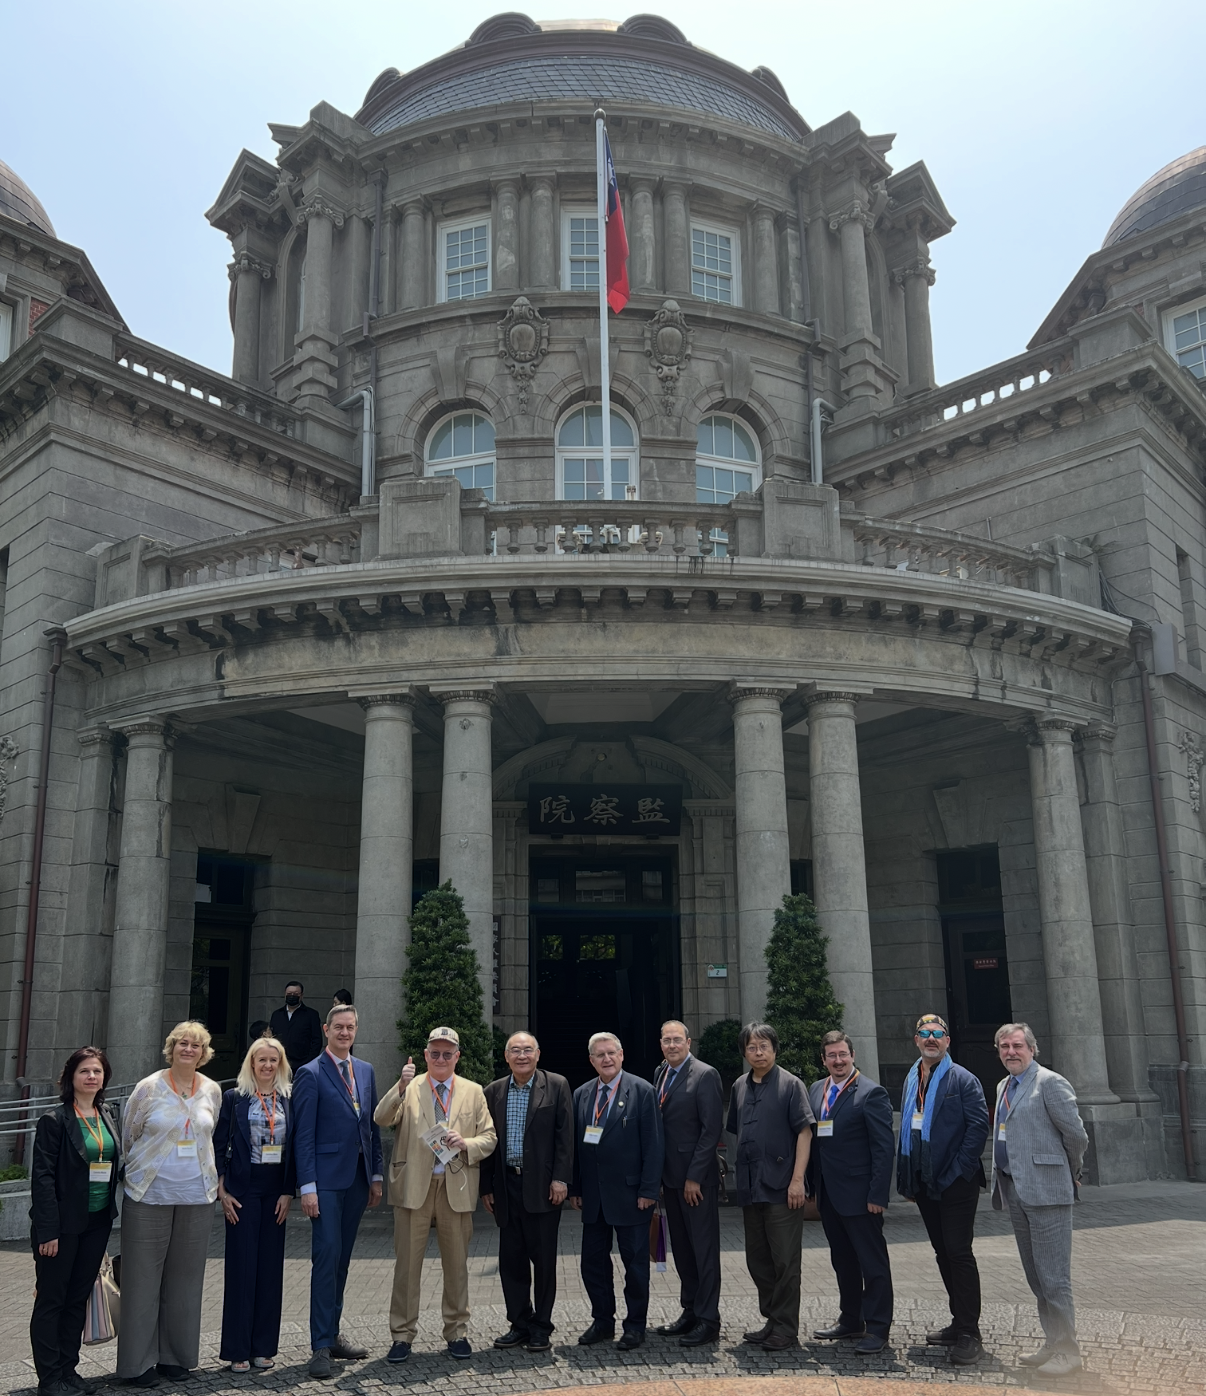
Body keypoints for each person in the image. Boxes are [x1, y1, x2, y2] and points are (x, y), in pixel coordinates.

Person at [374, 1027, 496, 1362]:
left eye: (447, 1053)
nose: (440, 1058)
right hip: (414, 1185)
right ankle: (402, 1335)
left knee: (456, 1266)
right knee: (407, 1267)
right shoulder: (410, 1087)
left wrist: (466, 1144)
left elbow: (489, 1138)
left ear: (457, 1057)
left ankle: (457, 1331)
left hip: (455, 1185)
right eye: (435, 1053)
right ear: (426, 1055)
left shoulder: (473, 1091)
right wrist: (399, 1086)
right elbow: (381, 1118)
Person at [117, 1021, 223, 1388]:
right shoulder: (148, 1088)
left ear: (204, 1052)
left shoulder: (212, 1089)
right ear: (171, 1048)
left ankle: (175, 1358)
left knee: (185, 1283)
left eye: (196, 1045)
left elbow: (210, 1135)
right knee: (142, 1282)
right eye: (182, 1043)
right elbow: (128, 1136)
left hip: (196, 1198)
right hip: (150, 1196)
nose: (188, 1049)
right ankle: (137, 1364)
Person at [990, 1022, 1088, 1378]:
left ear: (1032, 1048)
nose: (1011, 1052)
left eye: (1017, 1045)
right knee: (1036, 1276)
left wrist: (1069, 1172)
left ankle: (1069, 1351)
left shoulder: (1050, 1082)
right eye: (1004, 1046)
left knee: (1054, 1277)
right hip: (1014, 1189)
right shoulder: (1004, 1085)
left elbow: (1075, 1135)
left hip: (1048, 1191)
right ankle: (1053, 1341)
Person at [292, 1004, 384, 1380]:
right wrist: (307, 1187)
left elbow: (373, 1127)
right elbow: (304, 1136)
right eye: (338, 1027)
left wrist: (376, 1175)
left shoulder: (365, 1070)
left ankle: (333, 1334)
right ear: (327, 1030)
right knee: (326, 1259)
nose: (345, 1033)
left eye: (351, 1027)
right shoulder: (309, 1073)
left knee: (342, 1260)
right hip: (325, 1184)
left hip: (358, 1181)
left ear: (356, 1030)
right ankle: (319, 1347)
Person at [895, 1012, 989, 1366]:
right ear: (916, 1041)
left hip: (956, 1184)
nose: (931, 1038)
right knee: (942, 1252)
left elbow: (978, 1129)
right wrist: (909, 1178)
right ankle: (958, 1321)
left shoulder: (962, 1079)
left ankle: (970, 1333)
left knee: (959, 1253)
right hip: (925, 1184)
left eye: (937, 1033)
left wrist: (957, 1172)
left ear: (948, 1041)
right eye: (924, 1033)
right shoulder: (911, 1078)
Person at [29, 1046, 121, 1396]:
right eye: (85, 1071)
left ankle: (69, 1370)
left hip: (96, 1223)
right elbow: (43, 1180)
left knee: (78, 1298)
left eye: (97, 1071)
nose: (92, 1077)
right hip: (61, 1228)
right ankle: (49, 1378)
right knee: (52, 1300)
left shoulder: (108, 1114)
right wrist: (47, 1231)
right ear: (71, 1077)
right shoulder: (54, 1120)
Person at [569, 1032, 663, 1351]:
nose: (606, 1059)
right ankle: (602, 1322)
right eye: (599, 1055)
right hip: (593, 1198)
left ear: (622, 1055)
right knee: (593, 1264)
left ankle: (635, 1325)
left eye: (611, 1053)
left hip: (632, 1195)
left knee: (635, 1266)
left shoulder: (642, 1091)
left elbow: (653, 1144)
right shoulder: (581, 1094)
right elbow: (577, 1148)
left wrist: (649, 1189)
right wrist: (576, 1188)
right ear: (591, 1060)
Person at [480, 1032, 573, 1353]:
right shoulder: (493, 1092)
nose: (522, 1055)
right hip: (507, 1187)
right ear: (506, 1057)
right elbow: (488, 1145)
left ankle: (541, 1327)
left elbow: (565, 1138)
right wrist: (486, 1187)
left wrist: (561, 1179)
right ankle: (519, 1323)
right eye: (515, 1051)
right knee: (512, 1262)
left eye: (527, 1050)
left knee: (544, 1262)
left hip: (544, 1189)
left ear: (538, 1054)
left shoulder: (557, 1085)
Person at [726, 1021, 814, 1352]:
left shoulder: (791, 1085)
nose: (758, 1052)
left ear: (775, 1049)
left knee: (785, 1261)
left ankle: (786, 1328)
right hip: (751, 1187)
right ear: (744, 1052)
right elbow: (736, 1132)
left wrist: (797, 1181)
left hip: (782, 1187)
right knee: (758, 1260)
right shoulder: (739, 1086)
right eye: (751, 1047)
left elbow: (805, 1133)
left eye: (764, 1046)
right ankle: (772, 1318)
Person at [212, 1037, 296, 1372]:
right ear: (251, 1063)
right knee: (242, 1269)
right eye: (261, 1060)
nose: (267, 1066)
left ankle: (263, 1347)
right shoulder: (234, 1099)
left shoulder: (289, 1099)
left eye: (273, 1060)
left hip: (276, 1191)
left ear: (281, 1064)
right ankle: (236, 1349)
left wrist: (289, 1191)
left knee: (270, 1271)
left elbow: (296, 1149)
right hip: (242, 1192)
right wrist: (222, 1190)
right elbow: (217, 1147)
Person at [808, 1030, 895, 1355]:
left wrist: (878, 1195)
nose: (838, 1060)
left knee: (872, 1264)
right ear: (824, 1059)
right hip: (829, 1195)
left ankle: (877, 1327)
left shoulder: (871, 1093)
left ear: (852, 1055)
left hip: (862, 1197)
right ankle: (850, 1319)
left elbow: (884, 1149)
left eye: (843, 1054)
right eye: (832, 1055)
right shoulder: (817, 1089)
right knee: (842, 1260)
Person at [652, 1020, 723, 1348]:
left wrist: (694, 1176)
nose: (671, 1046)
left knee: (703, 1251)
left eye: (677, 1040)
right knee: (682, 1249)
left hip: (696, 1182)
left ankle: (709, 1320)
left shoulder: (705, 1075)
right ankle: (690, 1310)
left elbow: (711, 1130)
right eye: (666, 1041)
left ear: (688, 1042)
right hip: (669, 1178)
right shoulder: (660, 1073)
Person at [268, 980, 323, 1074]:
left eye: (295, 994)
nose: (292, 996)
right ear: (285, 995)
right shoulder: (277, 1015)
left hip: (303, 1064)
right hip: (279, 1065)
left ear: (301, 996)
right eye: (289, 993)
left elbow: (317, 1041)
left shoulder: (311, 1015)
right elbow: (271, 1037)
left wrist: (308, 1062)